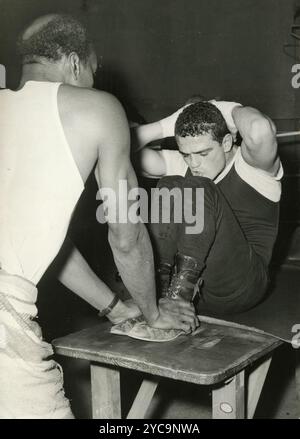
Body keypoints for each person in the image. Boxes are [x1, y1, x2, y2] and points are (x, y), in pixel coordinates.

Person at [0, 14, 197, 419]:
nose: (94, 80)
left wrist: (116, 308)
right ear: (75, 63)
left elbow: (40, 243)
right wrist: (153, 312)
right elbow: (126, 234)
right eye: (92, 70)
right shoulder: (97, 108)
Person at [133, 100, 282, 314]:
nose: (194, 164)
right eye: (186, 154)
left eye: (203, 154)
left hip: (243, 286)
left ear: (227, 142)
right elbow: (118, 148)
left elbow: (260, 130)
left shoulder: (254, 167)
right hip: (199, 293)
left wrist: (221, 107)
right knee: (169, 184)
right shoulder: (187, 162)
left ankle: (177, 302)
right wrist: (166, 125)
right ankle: (162, 290)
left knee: (198, 186)